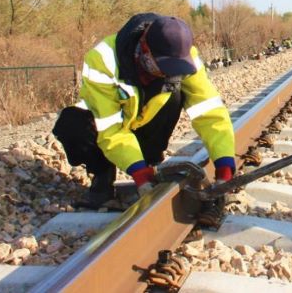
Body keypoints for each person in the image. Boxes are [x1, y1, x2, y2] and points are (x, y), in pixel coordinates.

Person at [53, 13, 236, 225]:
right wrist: (139, 175)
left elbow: (210, 112)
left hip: (144, 126)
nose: (169, 73)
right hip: (104, 131)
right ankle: (102, 178)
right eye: (164, 67)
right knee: (72, 123)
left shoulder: (185, 58)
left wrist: (224, 165)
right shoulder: (103, 59)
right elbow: (110, 129)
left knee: (174, 93)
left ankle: (152, 159)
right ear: (146, 52)